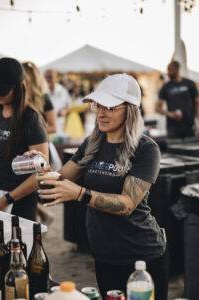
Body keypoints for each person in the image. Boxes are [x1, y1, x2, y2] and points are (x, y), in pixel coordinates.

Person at [37, 74, 168, 300]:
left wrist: (79, 193)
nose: (100, 112)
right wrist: (38, 164)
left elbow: (127, 204)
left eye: (110, 106)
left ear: (130, 109)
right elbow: (58, 177)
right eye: (98, 105)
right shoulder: (93, 143)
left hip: (141, 256)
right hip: (104, 255)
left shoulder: (146, 149)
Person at [0, 57, 48, 221]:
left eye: (3, 91)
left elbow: (42, 171)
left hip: (20, 201)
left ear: (18, 88)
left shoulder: (31, 119)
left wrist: (7, 199)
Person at [22, 61, 60, 224]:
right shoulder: (17, 98)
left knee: (32, 188)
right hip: (21, 149)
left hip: (40, 149)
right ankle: (42, 217)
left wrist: (34, 130)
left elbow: (53, 126)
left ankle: (37, 222)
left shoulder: (44, 99)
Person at [156, 60, 199, 138]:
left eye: (170, 70)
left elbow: (197, 103)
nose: (168, 72)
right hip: (173, 128)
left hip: (189, 126)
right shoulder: (166, 86)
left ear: (177, 69)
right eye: (168, 70)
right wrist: (170, 114)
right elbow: (157, 108)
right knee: (174, 149)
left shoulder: (190, 84)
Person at [44, 69, 71, 133]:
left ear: (56, 77)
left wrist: (65, 111)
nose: (48, 79)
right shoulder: (42, 91)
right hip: (47, 126)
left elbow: (69, 106)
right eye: (46, 77)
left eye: (50, 77)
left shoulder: (63, 91)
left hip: (60, 125)